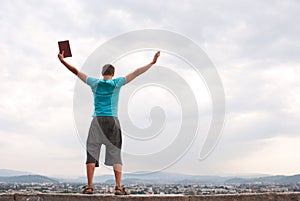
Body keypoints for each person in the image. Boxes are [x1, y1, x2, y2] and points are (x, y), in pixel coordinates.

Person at [58, 50, 160, 195]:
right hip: (113, 120)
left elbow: (76, 71)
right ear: (113, 73)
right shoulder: (116, 83)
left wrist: (62, 61)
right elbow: (136, 73)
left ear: (102, 73)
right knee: (115, 153)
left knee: (91, 152)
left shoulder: (94, 82)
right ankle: (118, 187)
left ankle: (89, 186)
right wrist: (152, 63)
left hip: (97, 120)